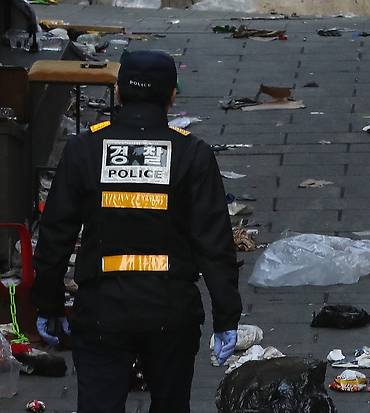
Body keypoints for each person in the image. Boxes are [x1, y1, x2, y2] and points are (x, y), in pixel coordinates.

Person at [31, 50, 242, 413]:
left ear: (118, 92)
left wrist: (48, 303)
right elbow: (215, 243)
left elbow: (56, 233)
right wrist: (226, 316)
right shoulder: (192, 153)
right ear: (172, 95)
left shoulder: (85, 148)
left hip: (102, 309)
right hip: (171, 309)